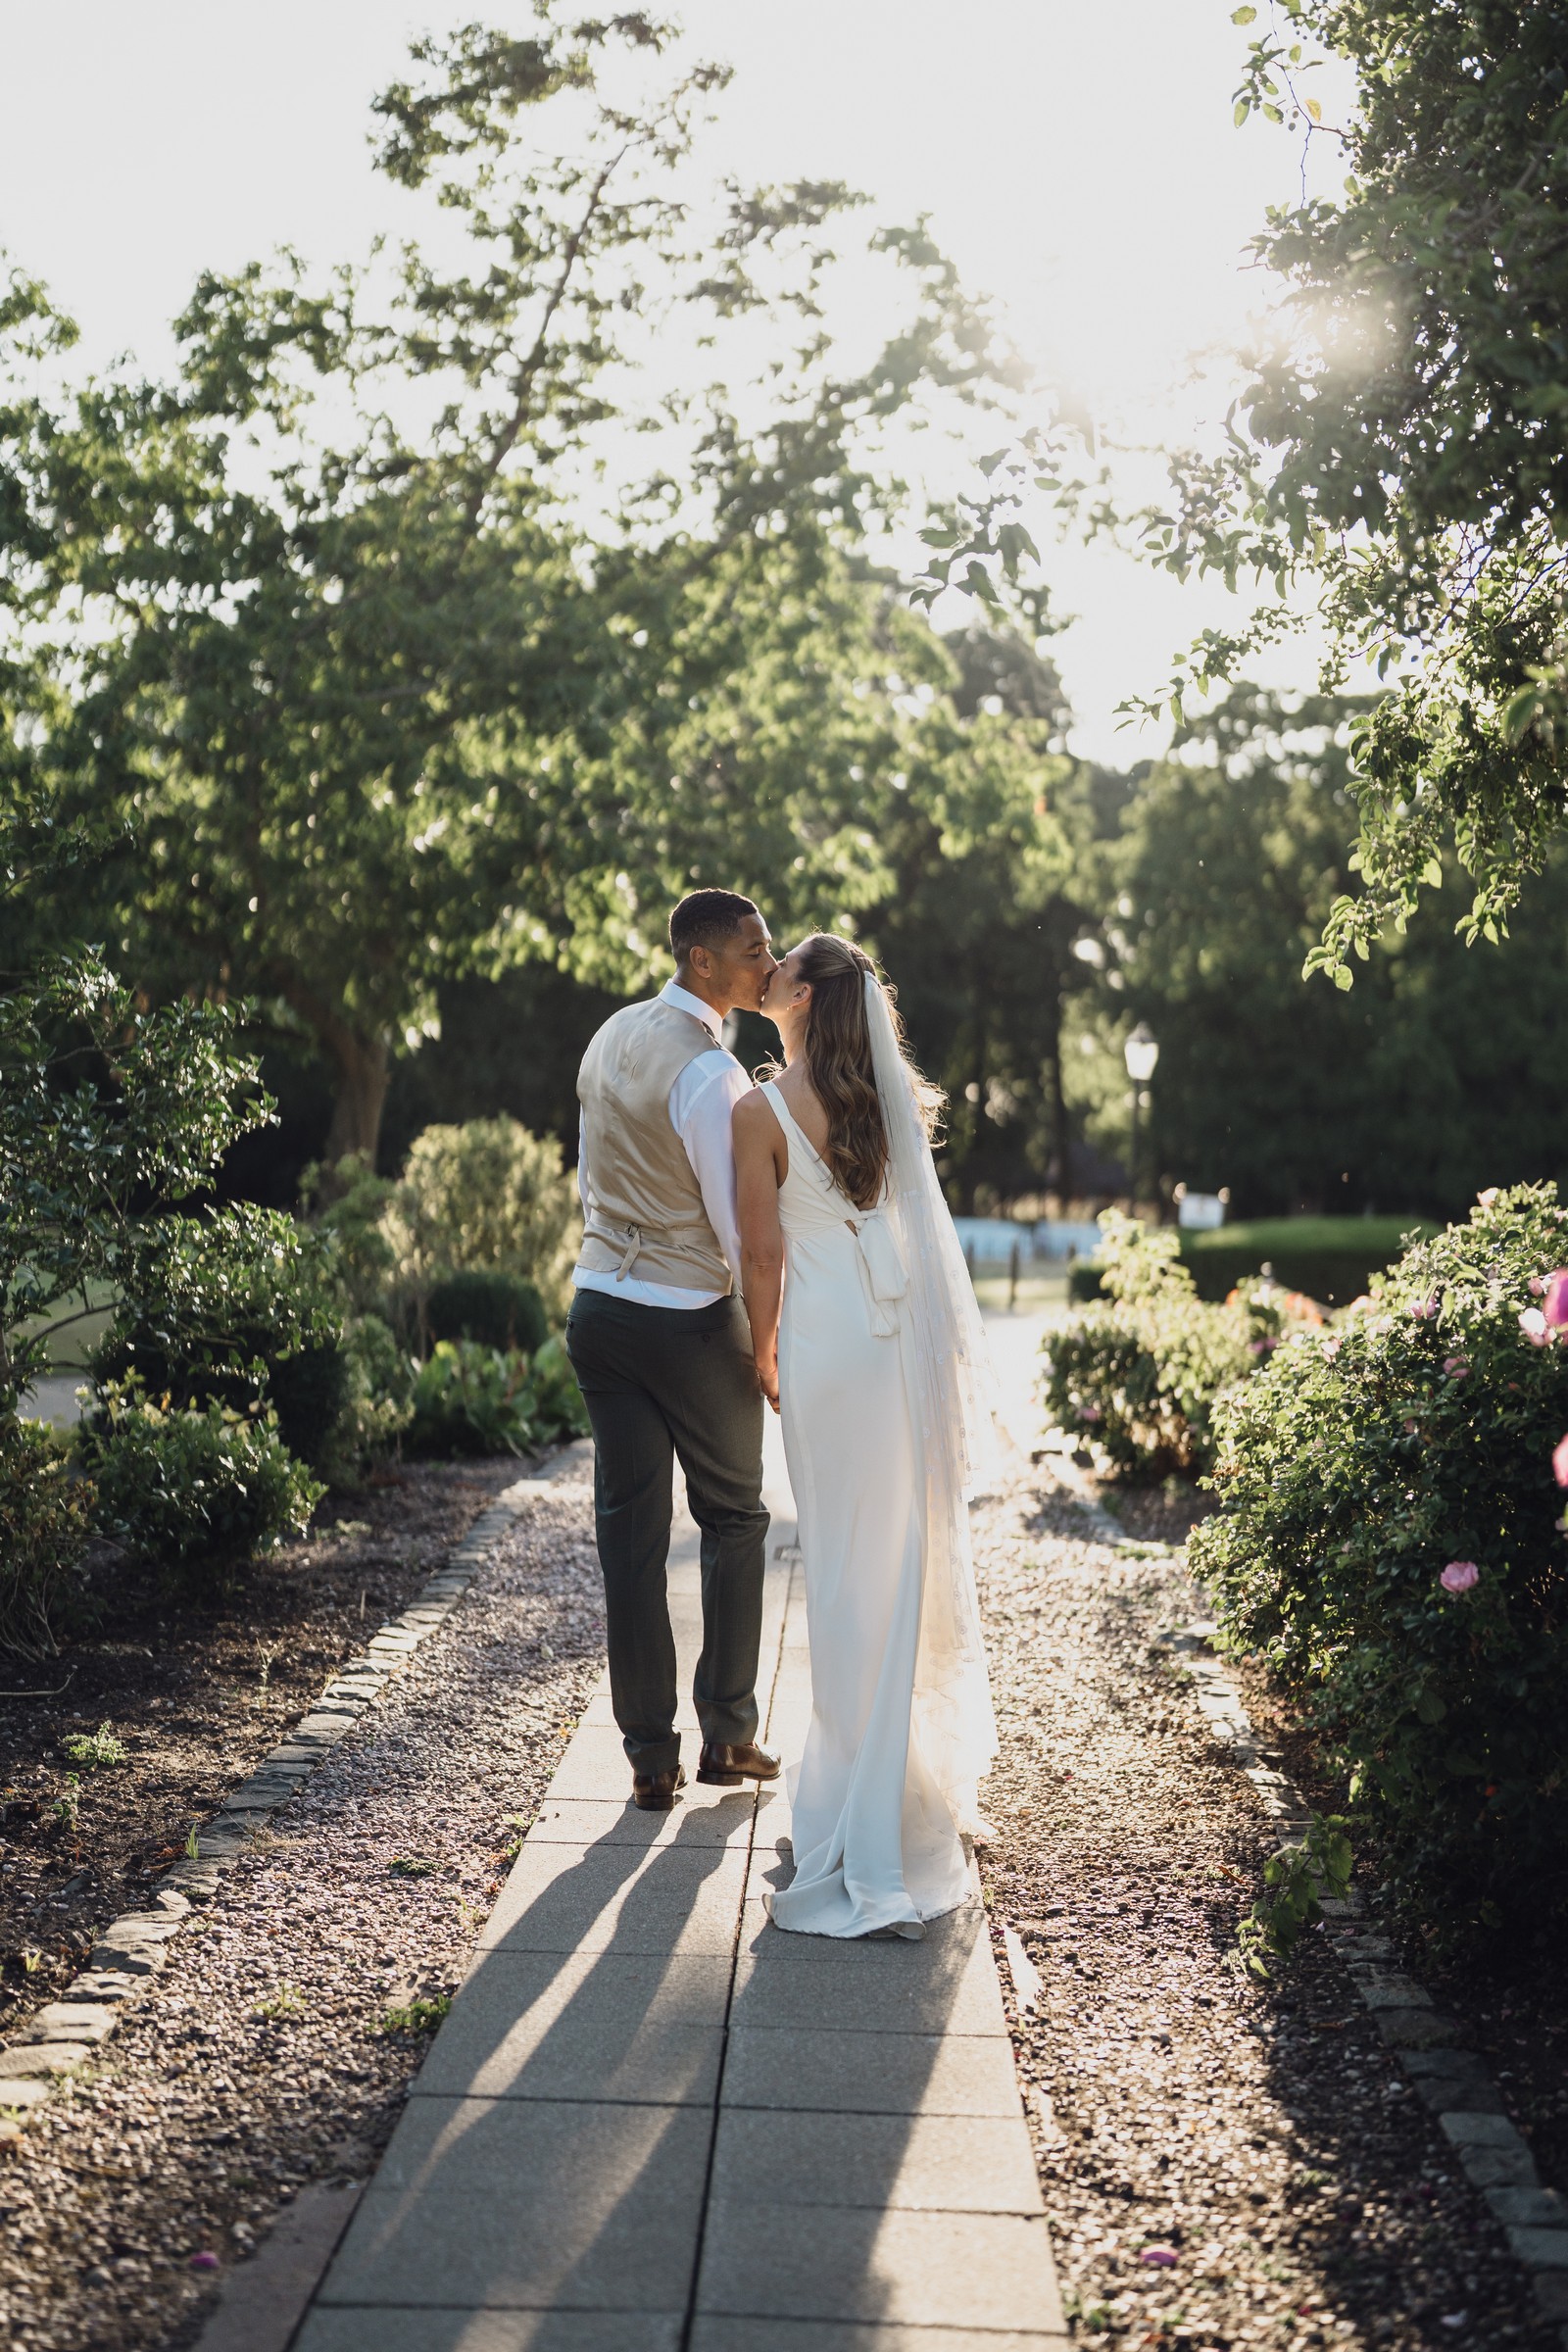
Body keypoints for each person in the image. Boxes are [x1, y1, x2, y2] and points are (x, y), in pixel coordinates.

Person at [732, 933, 998, 1938]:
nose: (766, 970)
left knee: (838, 1572)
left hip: (824, 1343)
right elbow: (917, 1225)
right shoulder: (881, 1099)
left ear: (799, 993)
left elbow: (763, 1249)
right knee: (890, 1566)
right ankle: (880, 1792)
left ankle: (847, 1802)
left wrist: (762, 1349)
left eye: (780, 962)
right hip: (890, 1347)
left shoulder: (757, 1110)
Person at [564, 889, 782, 1811]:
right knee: (735, 1517)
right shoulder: (711, 1076)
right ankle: (728, 1735)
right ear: (704, 962)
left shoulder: (612, 1032)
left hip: (599, 1310)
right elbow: (742, 1235)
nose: (768, 967)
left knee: (632, 1535)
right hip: (685, 1318)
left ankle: (650, 1755)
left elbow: (590, 1173)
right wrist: (766, 1348)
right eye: (753, 951)